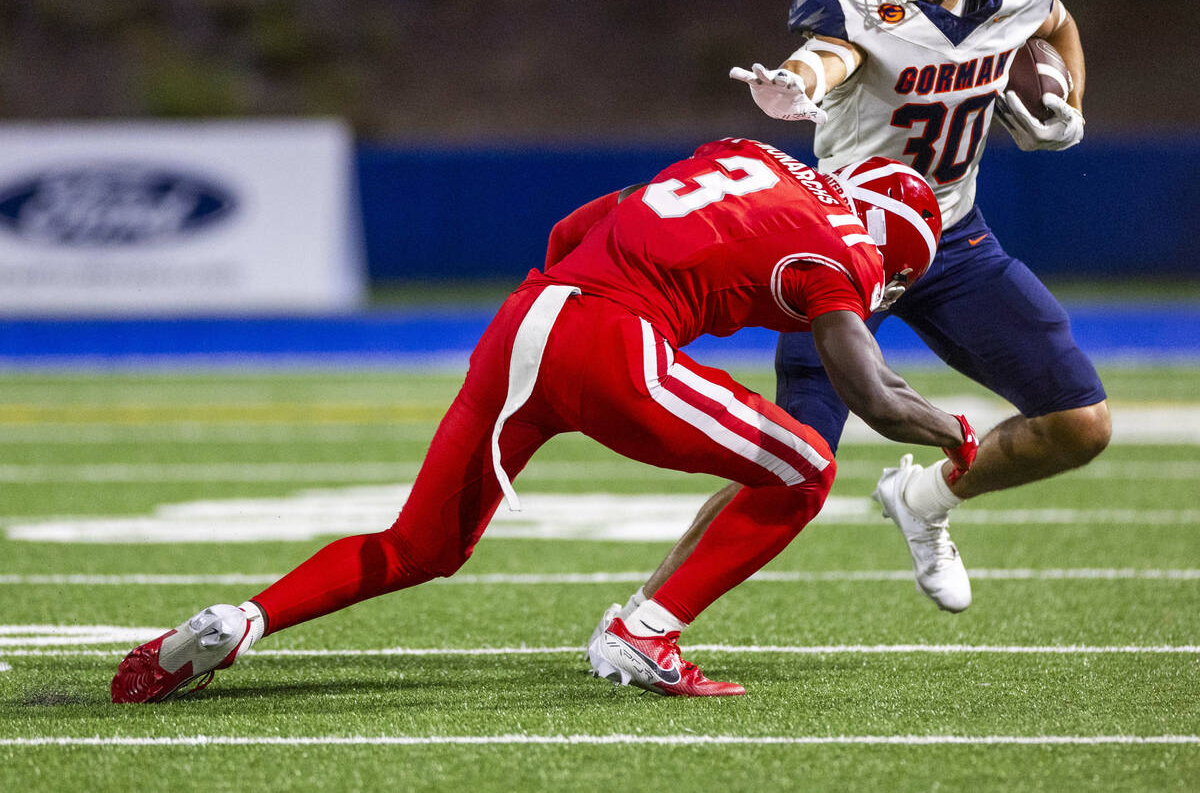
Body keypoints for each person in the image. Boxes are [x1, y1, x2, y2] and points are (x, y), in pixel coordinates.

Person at [111, 137, 977, 703]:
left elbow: (576, 224)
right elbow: (871, 395)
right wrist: (954, 431)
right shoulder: (848, 252)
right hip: (611, 343)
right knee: (806, 469)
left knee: (422, 546)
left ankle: (239, 624)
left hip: (528, 316)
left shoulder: (745, 156)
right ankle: (645, 633)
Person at [586, 0, 1111, 652]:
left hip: (954, 237)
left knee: (1080, 426)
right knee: (792, 460)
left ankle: (926, 500)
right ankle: (641, 619)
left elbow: (1056, 21)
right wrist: (794, 84)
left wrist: (1067, 104)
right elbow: (827, 55)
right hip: (844, 245)